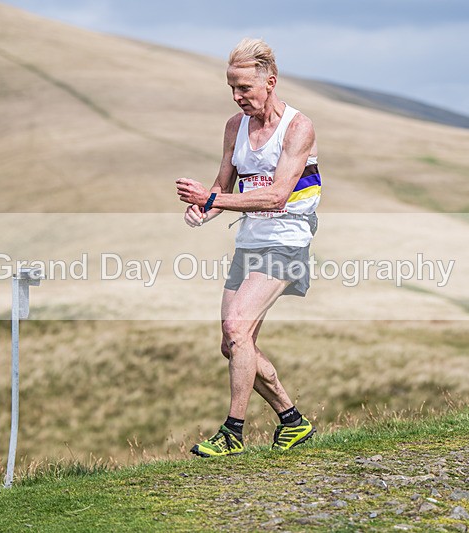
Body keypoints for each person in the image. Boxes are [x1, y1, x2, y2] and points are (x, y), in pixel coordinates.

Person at [176, 37, 321, 457]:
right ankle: (293, 421)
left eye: (244, 88)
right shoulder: (234, 127)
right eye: (232, 89)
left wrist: (211, 199)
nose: (237, 97)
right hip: (250, 243)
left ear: (270, 82)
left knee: (237, 328)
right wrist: (204, 210)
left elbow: (276, 197)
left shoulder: (298, 127)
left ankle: (232, 433)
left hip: (287, 243)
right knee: (233, 342)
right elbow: (223, 184)